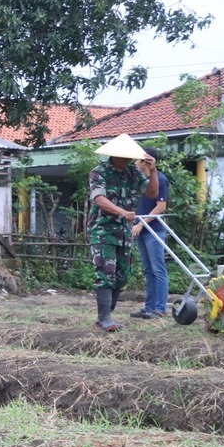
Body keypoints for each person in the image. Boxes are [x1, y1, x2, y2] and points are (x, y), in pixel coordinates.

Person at [87, 134, 159, 332]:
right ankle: (104, 318)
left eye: (130, 156)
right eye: (124, 155)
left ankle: (105, 315)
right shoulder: (99, 172)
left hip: (124, 231)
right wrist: (122, 212)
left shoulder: (134, 173)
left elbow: (152, 193)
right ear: (114, 154)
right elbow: (99, 199)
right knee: (105, 273)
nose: (127, 159)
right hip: (103, 230)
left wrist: (152, 171)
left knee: (122, 275)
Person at [130, 146, 171, 319]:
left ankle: (160, 308)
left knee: (158, 270)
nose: (135, 162)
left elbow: (161, 207)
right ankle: (149, 307)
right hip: (143, 231)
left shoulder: (160, 179)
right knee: (148, 270)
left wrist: (141, 224)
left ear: (146, 161)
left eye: (137, 159)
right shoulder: (143, 181)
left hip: (154, 232)